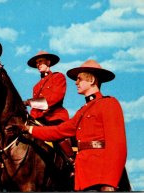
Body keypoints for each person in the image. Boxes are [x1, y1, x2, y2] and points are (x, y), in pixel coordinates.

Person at [21, 60, 128, 191]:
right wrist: (28, 129)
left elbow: (117, 146)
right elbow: (59, 131)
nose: (76, 83)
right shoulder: (82, 111)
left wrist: (110, 182)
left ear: (92, 80)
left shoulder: (109, 104)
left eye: (79, 79)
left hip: (101, 178)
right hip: (83, 179)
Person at [24, 50, 75, 171]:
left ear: (48, 62)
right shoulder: (36, 86)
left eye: (40, 61)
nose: (38, 64)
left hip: (55, 117)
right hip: (39, 119)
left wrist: (29, 102)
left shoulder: (58, 77)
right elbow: (35, 110)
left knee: (59, 135)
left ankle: (72, 162)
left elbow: (54, 99)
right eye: (37, 63)